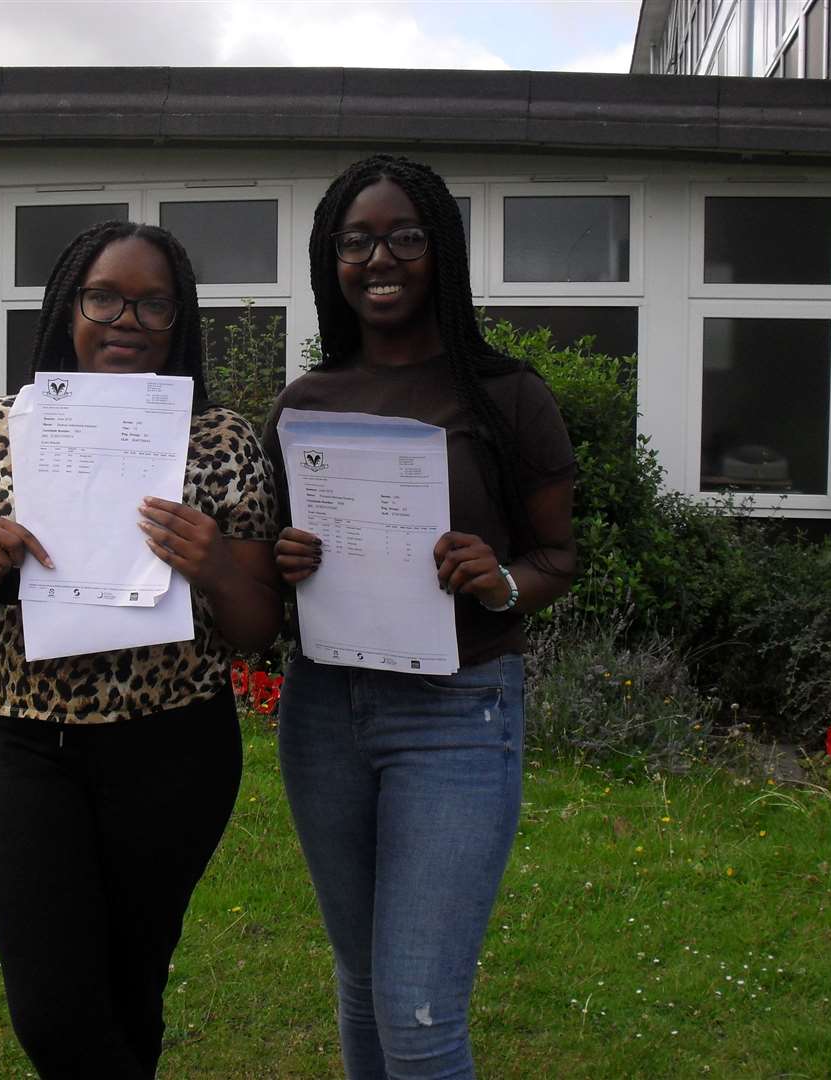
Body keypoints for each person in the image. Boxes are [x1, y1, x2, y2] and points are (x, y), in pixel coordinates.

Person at [0, 221, 282, 1079]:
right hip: (30, 745)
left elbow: (259, 625)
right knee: (52, 1015)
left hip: (175, 748)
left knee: (129, 989)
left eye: (155, 303)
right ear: (69, 306)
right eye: (105, 296)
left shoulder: (220, 440)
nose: (128, 319)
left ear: (179, 319)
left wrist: (216, 564)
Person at [263, 155, 578, 1079]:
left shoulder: (506, 394)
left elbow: (555, 559)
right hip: (325, 709)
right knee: (362, 980)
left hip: (457, 711)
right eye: (355, 241)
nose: (380, 257)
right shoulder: (301, 405)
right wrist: (288, 563)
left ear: (441, 250)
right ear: (331, 261)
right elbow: (280, 572)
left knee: (419, 1006)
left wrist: (497, 581)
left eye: (406, 235)